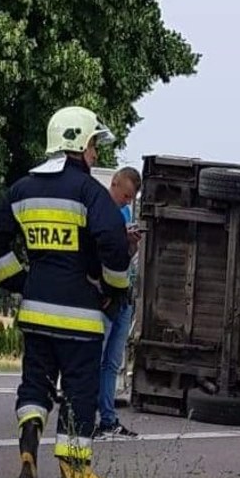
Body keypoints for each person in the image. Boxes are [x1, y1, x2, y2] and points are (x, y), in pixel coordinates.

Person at [0, 106, 132, 478]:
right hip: (80, 317)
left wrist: (18, 280)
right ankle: (75, 474)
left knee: (35, 383)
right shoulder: (88, 192)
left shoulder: (22, 188)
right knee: (79, 393)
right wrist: (113, 289)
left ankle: (29, 441)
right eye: (94, 145)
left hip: (35, 310)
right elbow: (114, 242)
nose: (96, 154)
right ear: (80, 143)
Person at [97, 166, 143, 438]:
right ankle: (84, 417)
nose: (126, 202)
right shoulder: (99, 210)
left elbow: (128, 255)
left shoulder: (125, 213)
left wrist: (132, 243)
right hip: (104, 296)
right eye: (124, 195)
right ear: (113, 184)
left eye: (130, 198)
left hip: (123, 293)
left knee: (112, 363)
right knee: (95, 358)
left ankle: (108, 418)